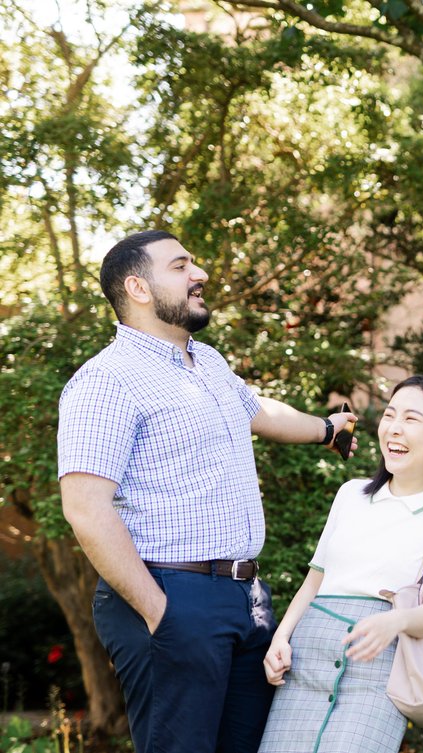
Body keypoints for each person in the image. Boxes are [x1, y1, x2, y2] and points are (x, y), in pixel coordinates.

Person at [57, 230, 358, 753]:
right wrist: (160, 613)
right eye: (180, 267)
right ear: (139, 287)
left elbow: (259, 412)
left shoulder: (208, 362)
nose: (200, 275)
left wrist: (326, 429)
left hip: (245, 599)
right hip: (172, 594)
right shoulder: (106, 380)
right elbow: (85, 509)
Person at [257, 373, 423, 753]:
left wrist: (394, 621)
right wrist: (281, 636)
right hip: (305, 658)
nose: (394, 429)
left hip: (378, 667)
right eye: (390, 415)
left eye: (412, 419)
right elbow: (314, 582)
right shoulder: (351, 494)